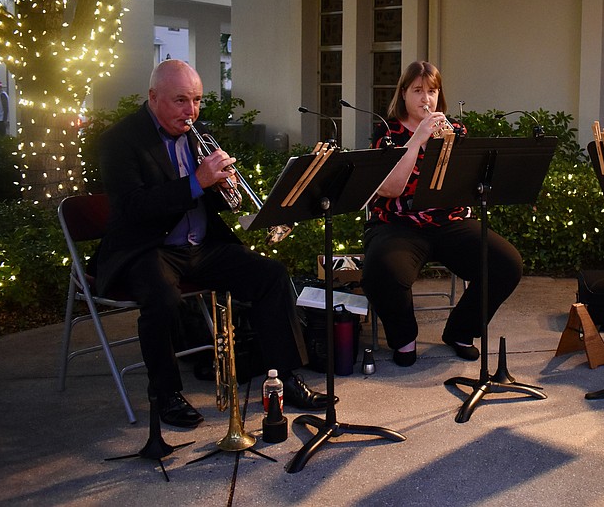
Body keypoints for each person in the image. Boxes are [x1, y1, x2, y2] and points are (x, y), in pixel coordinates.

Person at [96, 59, 333, 428]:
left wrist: (225, 186)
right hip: (149, 246)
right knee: (161, 299)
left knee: (271, 275)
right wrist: (197, 182)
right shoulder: (119, 140)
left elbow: (216, 201)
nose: (191, 111)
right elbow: (134, 208)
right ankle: (166, 395)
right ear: (153, 97)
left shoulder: (197, 132)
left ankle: (283, 379)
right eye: (180, 100)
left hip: (202, 245)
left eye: (197, 100)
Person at [361, 60, 524, 367]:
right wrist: (418, 138)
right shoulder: (388, 133)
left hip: (450, 222)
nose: (426, 99)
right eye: (418, 90)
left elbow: (471, 184)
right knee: (383, 270)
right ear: (404, 94)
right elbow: (391, 189)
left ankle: (461, 331)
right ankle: (404, 338)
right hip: (397, 225)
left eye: (432, 91)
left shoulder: (455, 130)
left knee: (506, 264)